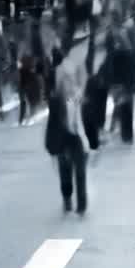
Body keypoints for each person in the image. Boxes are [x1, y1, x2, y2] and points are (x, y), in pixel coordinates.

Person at [45, 56, 88, 214]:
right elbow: (51, 125)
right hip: (62, 139)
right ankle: (67, 197)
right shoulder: (55, 101)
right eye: (65, 81)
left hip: (76, 138)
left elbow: (84, 121)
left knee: (81, 171)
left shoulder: (78, 97)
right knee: (65, 171)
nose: (69, 84)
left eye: (70, 80)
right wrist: (52, 146)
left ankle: (82, 204)